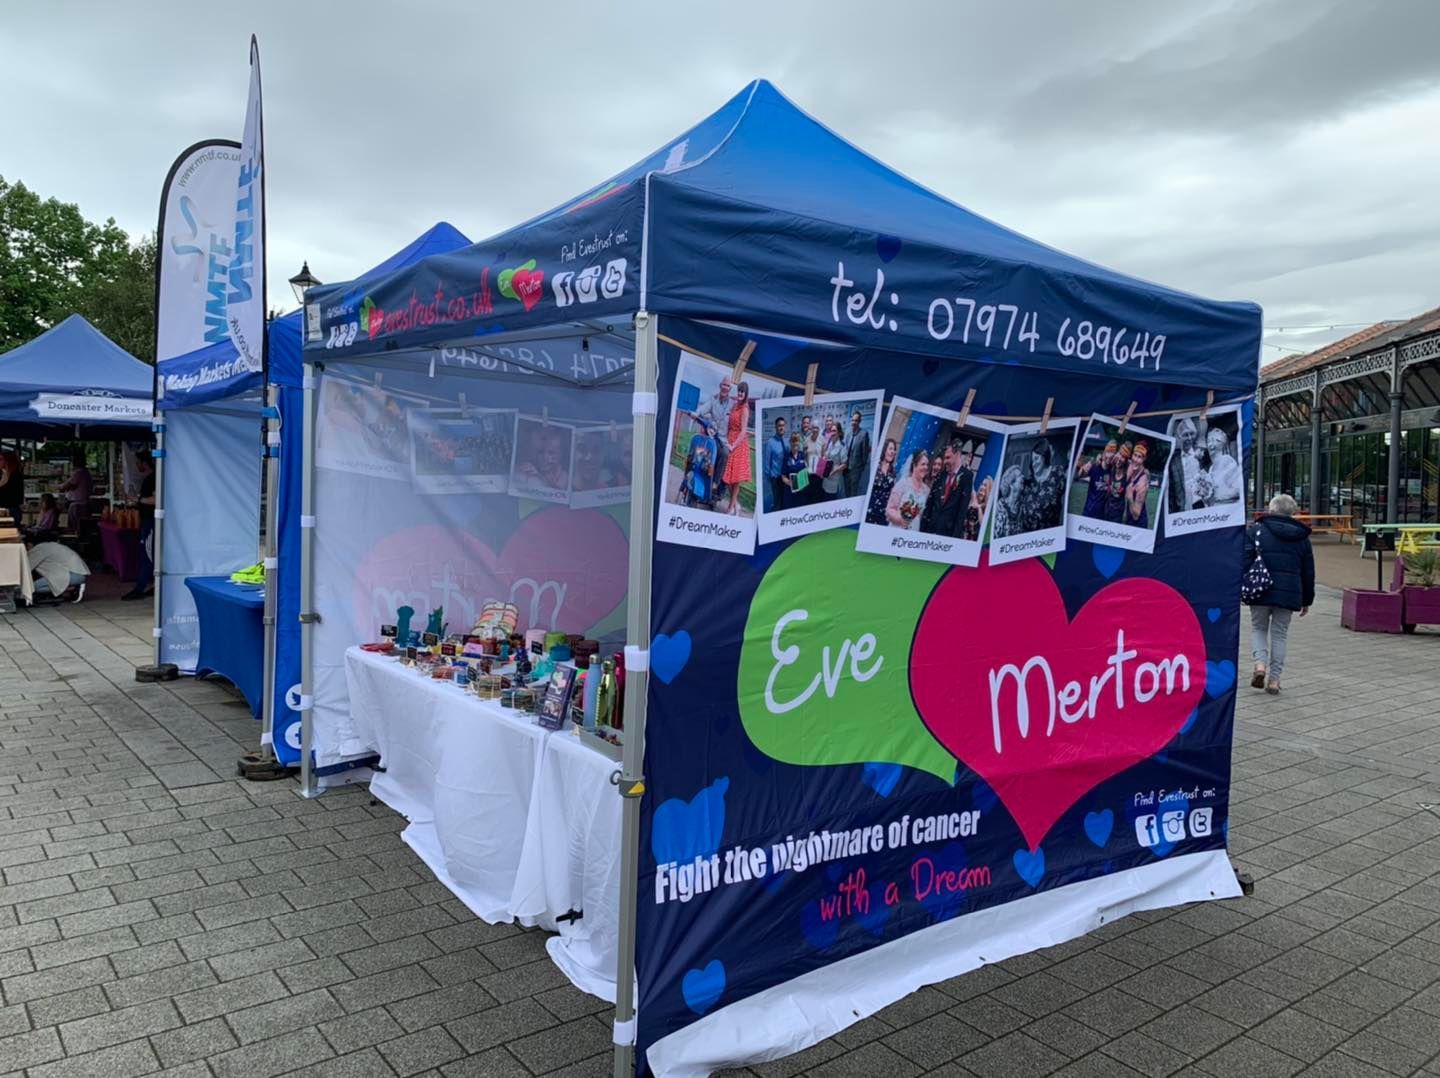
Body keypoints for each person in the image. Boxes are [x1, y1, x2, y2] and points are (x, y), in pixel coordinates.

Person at [1244, 494, 1315, 695]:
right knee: (1280, 635)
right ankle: (1274, 680)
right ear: (1293, 512)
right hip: (1289, 592)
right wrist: (1306, 599)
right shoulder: (1302, 537)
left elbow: (1244, 559)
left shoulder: (1257, 530)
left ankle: (1259, 665)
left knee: (1258, 628)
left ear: (1271, 509)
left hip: (1260, 588)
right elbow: (1308, 571)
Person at [920, 438, 973, 537]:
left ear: (957, 454)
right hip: (930, 531)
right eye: (945, 458)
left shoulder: (967, 476)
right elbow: (929, 505)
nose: (945, 462)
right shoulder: (941, 475)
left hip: (947, 534)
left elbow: (962, 511)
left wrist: (954, 540)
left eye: (948, 458)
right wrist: (922, 531)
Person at [693, 377, 734, 503]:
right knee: (703, 452)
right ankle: (697, 476)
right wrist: (696, 413)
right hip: (712, 436)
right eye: (723, 385)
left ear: (730, 389)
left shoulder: (732, 404)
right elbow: (703, 408)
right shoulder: (713, 400)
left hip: (724, 439)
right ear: (720, 385)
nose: (725, 388)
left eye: (727, 386)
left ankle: (714, 484)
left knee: (725, 454)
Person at [123, 451, 156, 601]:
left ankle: (140, 587)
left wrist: (138, 499)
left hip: (151, 522)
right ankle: (154, 585)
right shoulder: (150, 479)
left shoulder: (153, 478)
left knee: (148, 554)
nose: (137, 466)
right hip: (147, 520)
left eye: (138, 462)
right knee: (150, 554)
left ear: (144, 463)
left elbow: (156, 499)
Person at [722, 381, 752, 515]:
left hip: (739, 444)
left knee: (736, 479)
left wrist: (734, 445)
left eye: (742, 392)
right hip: (730, 440)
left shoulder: (745, 409)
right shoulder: (735, 406)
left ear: (746, 394)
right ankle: (736, 504)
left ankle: (730, 507)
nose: (740, 393)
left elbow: (744, 431)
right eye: (739, 391)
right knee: (727, 475)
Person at [886, 449, 932, 530]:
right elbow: (890, 509)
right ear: (914, 465)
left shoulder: (927, 491)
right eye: (923, 464)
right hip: (897, 528)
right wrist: (901, 519)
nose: (925, 467)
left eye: (927, 465)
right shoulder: (903, 484)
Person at [1076, 438, 1117, 519]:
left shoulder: (1112, 470)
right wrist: (1082, 469)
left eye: (1112, 454)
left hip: (1102, 516)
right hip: (1088, 513)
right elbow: (1080, 475)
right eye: (1108, 452)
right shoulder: (1095, 466)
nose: (1109, 456)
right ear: (1105, 452)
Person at [1200, 427, 1242, 505]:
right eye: (1208, 441)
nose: (1210, 445)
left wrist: (1215, 496)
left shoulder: (1227, 460)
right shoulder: (1211, 468)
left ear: (1222, 444)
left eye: (1214, 440)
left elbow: (1238, 490)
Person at [1168, 418, 1203, 512]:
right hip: (1182, 509)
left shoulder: (1202, 455)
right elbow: (1171, 492)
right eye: (1185, 435)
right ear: (1179, 436)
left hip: (1202, 505)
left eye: (1192, 433)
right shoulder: (1173, 460)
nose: (1190, 438)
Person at [865, 438, 899, 525]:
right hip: (869, 509)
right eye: (890, 448)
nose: (893, 452)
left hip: (883, 514)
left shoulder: (893, 472)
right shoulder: (875, 466)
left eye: (894, 450)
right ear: (884, 449)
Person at [59, 451, 93, 531]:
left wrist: (59, 486)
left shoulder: (79, 472)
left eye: (74, 459)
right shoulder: (85, 472)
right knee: (80, 527)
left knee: (76, 527)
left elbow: (66, 486)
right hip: (82, 504)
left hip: (78, 505)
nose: (72, 462)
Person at [1123, 441, 1153, 528]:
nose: (1135, 459)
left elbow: (1136, 516)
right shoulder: (1131, 467)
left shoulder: (1142, 482)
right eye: (1135, 455)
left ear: (1144, 459)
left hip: (1138, 524)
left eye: (1139, 457)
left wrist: (1130, 497)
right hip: (1128, 519)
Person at [844, 410, 872, 499]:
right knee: (846, 491)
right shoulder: (848, 434)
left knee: (853, 493)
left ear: (859, 421)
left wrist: (861, 467)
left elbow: (865, 453)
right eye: (853, 420)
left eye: (856, 420)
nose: (854, 422)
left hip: (856, 469)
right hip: (846, 469)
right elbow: (845, 450)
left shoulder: (864, 434)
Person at [763, 416, 788, 513]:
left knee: (784, 502)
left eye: (783, 425)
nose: (781, 428)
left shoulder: (787, 441)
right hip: (776, 478)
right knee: (777, 504)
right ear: (776, 427)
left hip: (786, 477)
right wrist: (770, 477)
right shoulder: (770, 442)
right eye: (779, 426)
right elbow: (767, 462)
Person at [821, 421, 848, 500]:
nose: (832, 433)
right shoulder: (830, 443)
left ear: (839, 433)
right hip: (826, 479)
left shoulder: (842, 446)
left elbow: (844, 464)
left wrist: (832, 472)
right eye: (831, 431)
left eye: (834, 431)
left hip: (834, 480)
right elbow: (825, 456)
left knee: (831, 502)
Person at [780, 433, 808, 509]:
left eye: (797, 442)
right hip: (790, 492)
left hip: (801, 492)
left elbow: (806, 471)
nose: (795, 444)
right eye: (793, 442)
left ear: (799, 443)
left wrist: (804, 481)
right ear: (790, 442)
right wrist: (790, 483)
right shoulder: (786, 457)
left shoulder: (802, 455)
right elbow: (783, 476)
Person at [963, 476, 993, 541]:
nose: (982, 487)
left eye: (985, 485)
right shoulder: (974, 500)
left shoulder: (987, 509)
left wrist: (979, 508)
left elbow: (983, 525)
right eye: (982, 484)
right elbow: (971, 487)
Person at [0, 450, 24, 526]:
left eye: (1, 459)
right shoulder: (5, 474)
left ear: (7, 461)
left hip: (11, 509)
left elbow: (15, 496)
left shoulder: (15, 476)